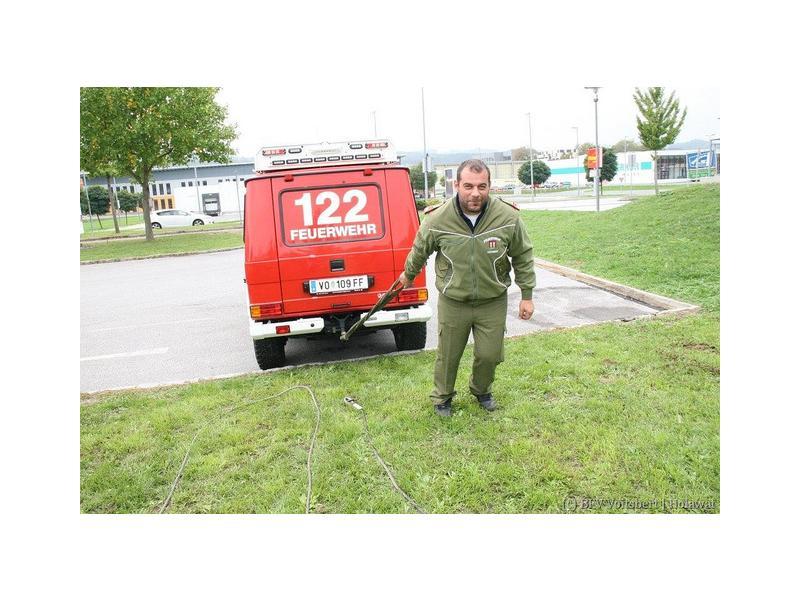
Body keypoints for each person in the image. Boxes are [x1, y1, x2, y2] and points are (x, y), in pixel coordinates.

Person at [400, 159, 535, 417]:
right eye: (469, 186)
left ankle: (481, 390)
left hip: (492, 300)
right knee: (448, 355)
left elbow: (523, 256)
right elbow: (419, 250)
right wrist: (408, 275)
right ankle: (442, 397)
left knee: (490, 354)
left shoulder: (508, 217)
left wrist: (526, 295)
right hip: (454, 301)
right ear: (457, 185)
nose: (475, 193)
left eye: (482, 186)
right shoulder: (437, 218)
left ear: (489, 186)